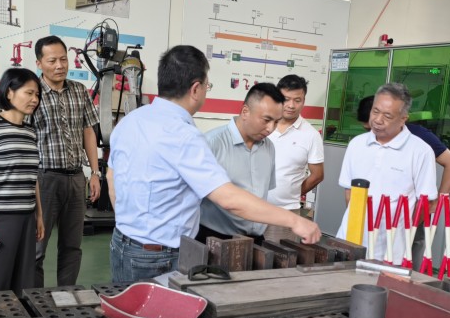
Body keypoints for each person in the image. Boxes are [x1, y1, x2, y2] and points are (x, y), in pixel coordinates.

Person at [107, 45, 321, 283]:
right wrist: (295, 220)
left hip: (122, 244)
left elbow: (111, 177)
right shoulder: (186, 135)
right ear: (195, 89)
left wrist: (132, 229)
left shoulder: (131, 120)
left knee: (127, 304)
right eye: (207, 86)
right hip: (160, 258)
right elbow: (229, 199)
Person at [337, 83, 437, 265]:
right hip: (349, 241)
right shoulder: (356, 144)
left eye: (387, 115)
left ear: (403, 119)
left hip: (391, 250)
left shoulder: (420, 151)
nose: (377, 120)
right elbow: (349, 192)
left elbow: (426, 204)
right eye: (375, 111)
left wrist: (401, 235)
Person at [357, 95, 450, 268]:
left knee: (408, 261)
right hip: (381, 214)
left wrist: (437, 201)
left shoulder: (418, 136)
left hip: (412, 211)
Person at [32, 36, 101, 287]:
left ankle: (67, 295)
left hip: (75, 178)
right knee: (37, 247)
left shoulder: (79, 91)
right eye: (52, 61)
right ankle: (35, 300)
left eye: (63, 59)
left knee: (72, 246)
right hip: (44, 180)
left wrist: (94, 172)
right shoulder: (32, 94)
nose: (60, 65)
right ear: (39, 63)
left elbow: (88, 131)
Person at [0, 68, 45, 294]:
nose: (35, 99)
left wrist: (39, 215)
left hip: (27, 217)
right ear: (9, 92)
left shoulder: (31, 131)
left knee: (24, 282)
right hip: (0, 220)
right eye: (29, 93)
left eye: (37, 94)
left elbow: (32, 177)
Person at [197, 83, 284, 242]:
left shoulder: (269, 147)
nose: (271, 128)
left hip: (256, 240)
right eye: (266, 120)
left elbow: (263, 194)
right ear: (245, 111)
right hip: (215, 238)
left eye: (277, 122)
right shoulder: (211, 143)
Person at [263, 74, 324, 243]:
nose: (291, 105)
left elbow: (317, 175)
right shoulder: (263, 125)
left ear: (304, 101)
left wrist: (293, 193)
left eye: (297, 100)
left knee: (280, 257)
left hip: (286, 213)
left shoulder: (311, 135)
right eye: (286, 99)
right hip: (252, 208)